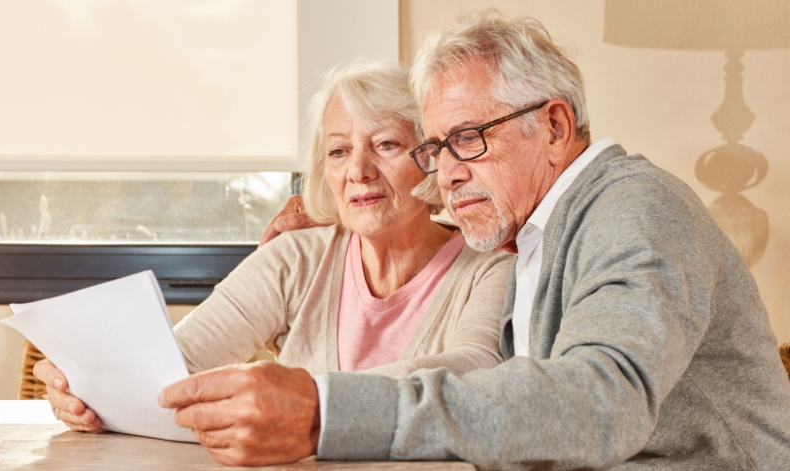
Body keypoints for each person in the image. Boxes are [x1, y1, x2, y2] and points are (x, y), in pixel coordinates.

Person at [156, 11, 790, 470]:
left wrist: (328, 409)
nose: (448, 170)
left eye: (468, 138)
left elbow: (603, 403)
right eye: (434, 148)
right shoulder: (528, 238)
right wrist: (343, 221)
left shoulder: (634, 208)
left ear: (555, 125)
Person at [33, 61, 514, 439]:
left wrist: (306, 397)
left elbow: (473, 369)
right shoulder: (295, 258)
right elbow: (174, 365)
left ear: (429, 158)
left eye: (386, 144)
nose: (359, 171)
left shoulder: (488, 266)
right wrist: (83, 383)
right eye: (339, 150)